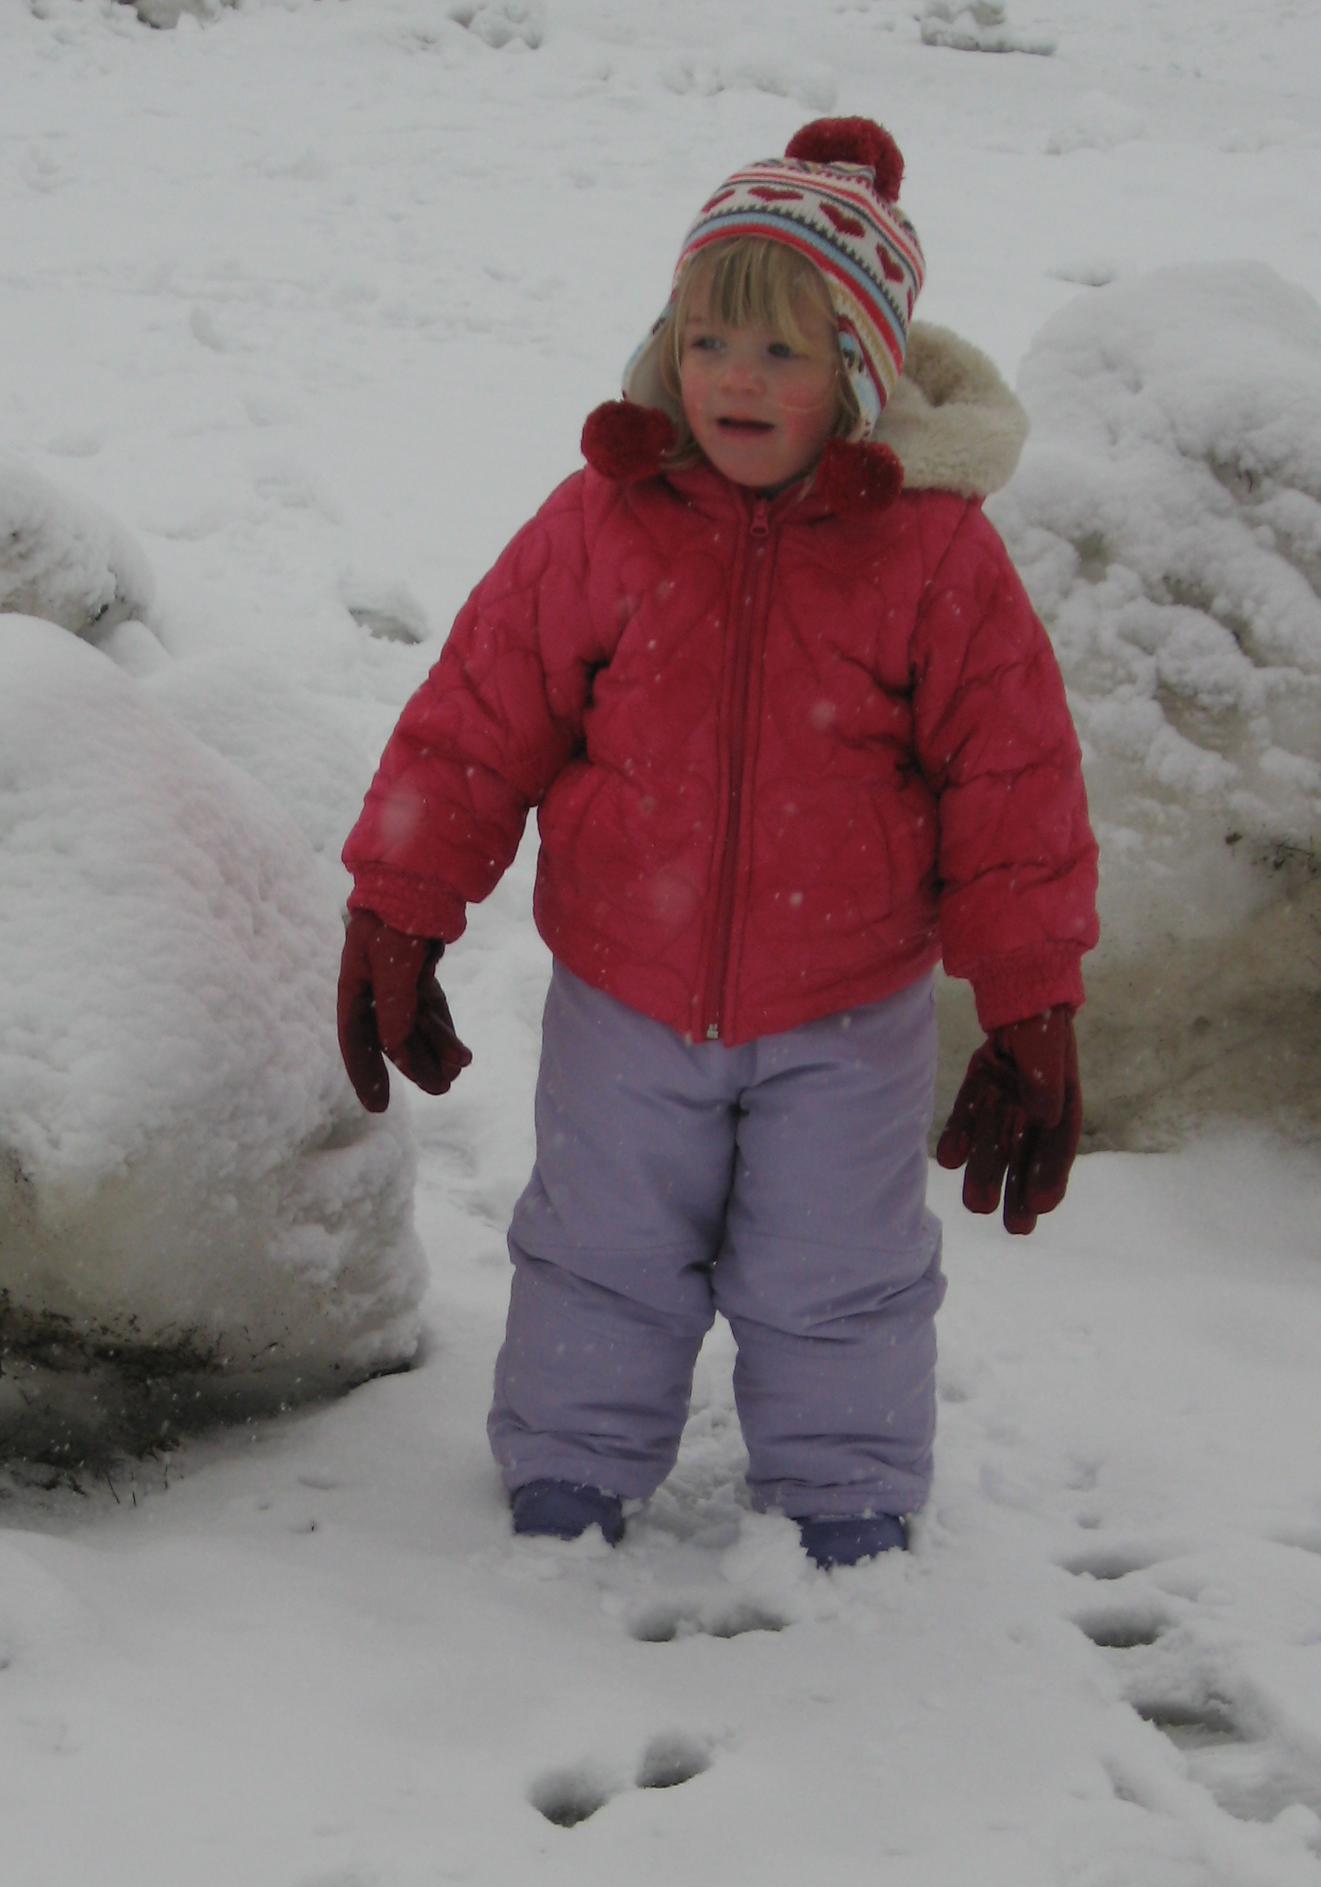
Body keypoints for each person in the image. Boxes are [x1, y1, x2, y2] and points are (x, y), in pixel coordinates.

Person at [335, 117, 1098, 1564]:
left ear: (859, 373)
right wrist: (403, 897)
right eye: (707, 342)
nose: (735, 379)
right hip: (625, 988)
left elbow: (1014, 782)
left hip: (848, 1003)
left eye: (782, 353)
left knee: (840, 1264)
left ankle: (847, 1484)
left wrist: (1029, 994)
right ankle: (572, 1462)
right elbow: (479, 714)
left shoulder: (932, 552)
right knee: (601, 1247)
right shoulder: (606, 523)